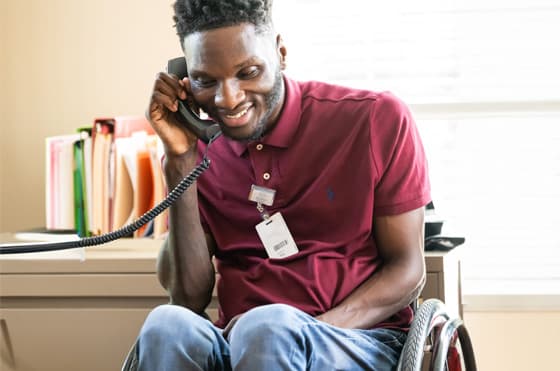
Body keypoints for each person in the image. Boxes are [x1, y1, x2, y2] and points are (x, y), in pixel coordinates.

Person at [135, 0, 431, 370]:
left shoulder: (374, 118)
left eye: (249, 71)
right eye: (205, 81)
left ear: (281, 54)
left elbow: (408, 269)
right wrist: (179, 160)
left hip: (356, 339)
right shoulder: (197, 154)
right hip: (241, 346)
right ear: (183, 79)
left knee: (268, 328)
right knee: (166, 326)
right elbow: (188, 297)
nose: (227, 98)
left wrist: (308, 330)